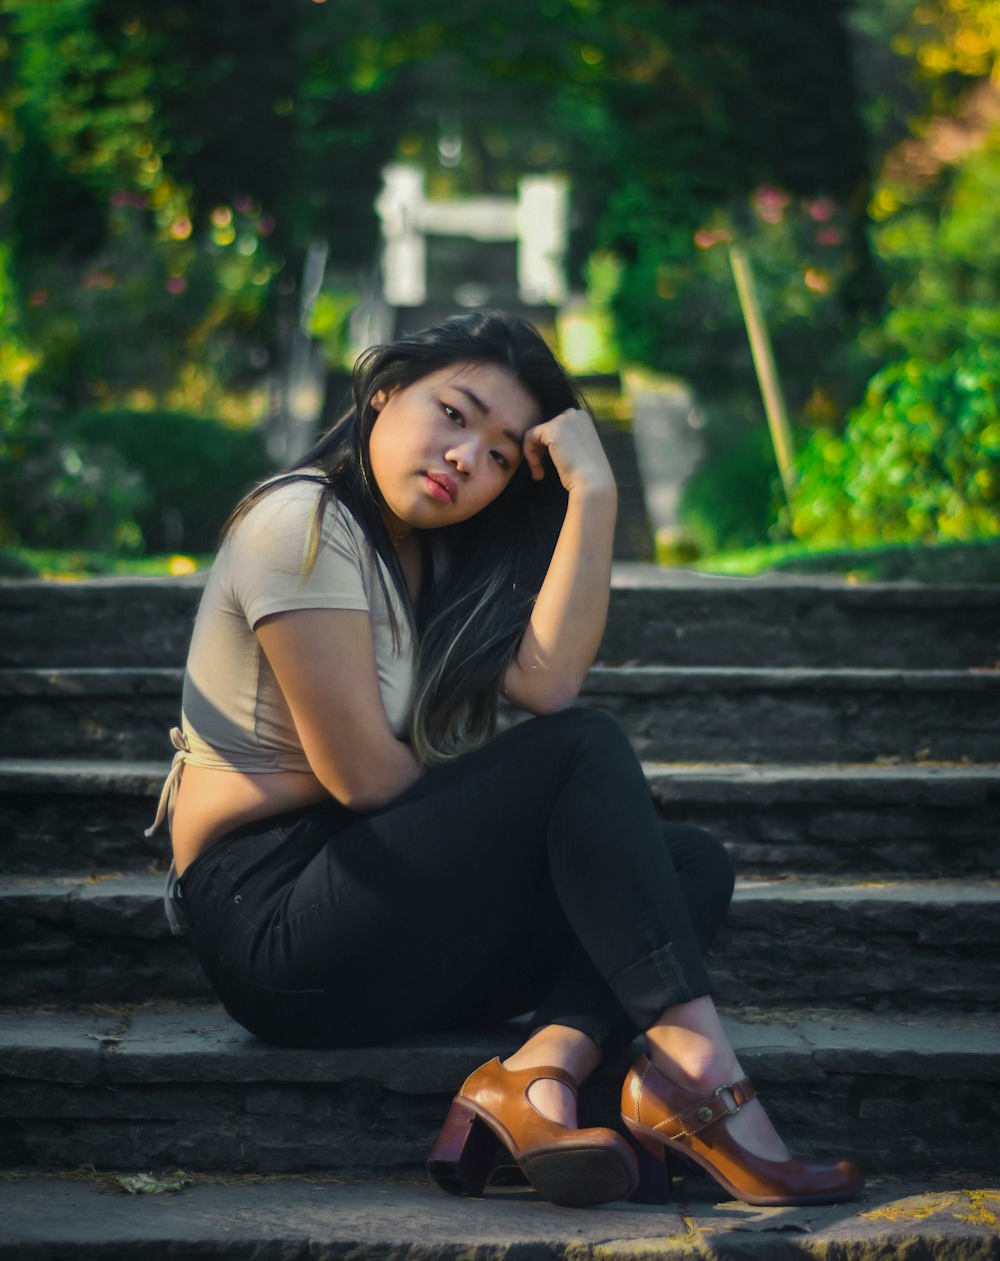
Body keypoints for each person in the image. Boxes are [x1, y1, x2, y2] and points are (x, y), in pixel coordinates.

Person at [147, 309, 861, 1210]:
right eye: (454, 413)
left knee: (686, 863)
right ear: (382, 393)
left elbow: (550, 680)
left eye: (498, 453)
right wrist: (527, 821)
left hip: (366, 912)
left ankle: (540, 1073)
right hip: (275, 926)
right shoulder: (302, 522)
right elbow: (365, 778)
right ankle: (698, 1073)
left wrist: (594, 490)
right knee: (581, 760)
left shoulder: (423, 557)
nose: (465, 458)